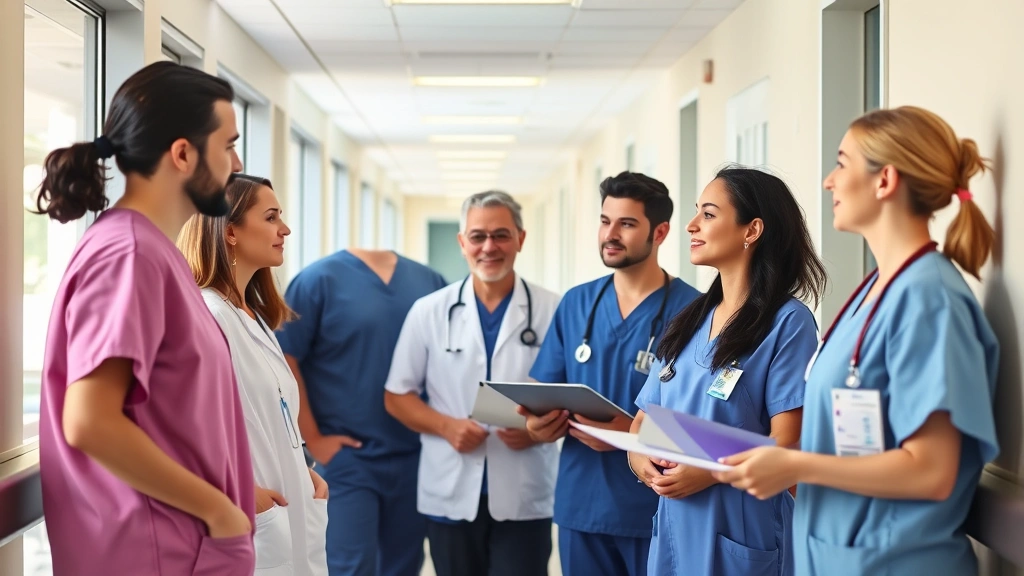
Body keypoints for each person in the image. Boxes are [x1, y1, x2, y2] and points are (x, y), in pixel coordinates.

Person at [713, 106, 1000, 576]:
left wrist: (794, 465)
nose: (829, 180)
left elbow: (931, 470)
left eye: (842, 163)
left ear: (884, 180)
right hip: (839, 557)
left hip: (897, 562)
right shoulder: (874, 289)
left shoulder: (930, 301)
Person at [34, 61, 253, 575]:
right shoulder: (130, 255)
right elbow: (90, 420)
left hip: (174, 543)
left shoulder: (152, 251)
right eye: (228, 145)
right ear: (182, 153)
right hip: (156, 550)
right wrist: (217, 509)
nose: (236, 162)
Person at [627, 167, 826, 576]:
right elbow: (644, 421)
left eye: (709, 214)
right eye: (696, 212)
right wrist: (639, 459)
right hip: (675, 531)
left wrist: (710, 472)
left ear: (752, 230)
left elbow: (788, 442)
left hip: (742, 530)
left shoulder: (788, 323)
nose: (691, 224)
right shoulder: (689, 320)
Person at [525, 172, 701, 576]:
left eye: (626, 223)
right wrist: (538, 425)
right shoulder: (577, 303)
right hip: (580, 507)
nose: (610, 234)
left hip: (657, 508)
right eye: (605, 221)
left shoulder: (696, 312)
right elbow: (541, 396)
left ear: (659, 232)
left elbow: (706, 427)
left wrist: (632, 432)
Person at [384, 191, 561, 576]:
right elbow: (397, 396)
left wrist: (537, 432)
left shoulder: (554, 309)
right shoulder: (429, 311)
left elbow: (573, 398)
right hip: (450, 487)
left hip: (525, 490)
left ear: (520, 239)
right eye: (478, 236)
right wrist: (446, 426)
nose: (489, 247)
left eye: (501, 235)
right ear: (462, 242)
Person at [178, 175, 329, 575]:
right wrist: (244, 492)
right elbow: (185, 426)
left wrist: (302, 469)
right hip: (250, 512)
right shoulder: (207, 315)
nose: (286, 229)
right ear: (229, 231)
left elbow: (269, 414)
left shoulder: (253, 317)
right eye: (271, 217)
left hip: (287, 497)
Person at [277, 239, 447, 576]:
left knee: (404, 566)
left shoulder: (430, 282)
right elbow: (286, 358)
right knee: (349, 567)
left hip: (416, 456)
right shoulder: (317, 281)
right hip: (348, 460)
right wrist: (314, 440)